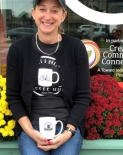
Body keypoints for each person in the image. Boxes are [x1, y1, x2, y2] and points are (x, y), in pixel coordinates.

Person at [6, 0, 91, 155]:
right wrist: (30, 132)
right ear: (33, 13)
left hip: (66, 125)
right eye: (42, 9)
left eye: (54, 10)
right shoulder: (18, 49)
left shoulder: (75, 47)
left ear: (63, 15)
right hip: (32, 126)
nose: (47, 16)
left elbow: (83, 96)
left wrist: (68, 132)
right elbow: (13, 97)